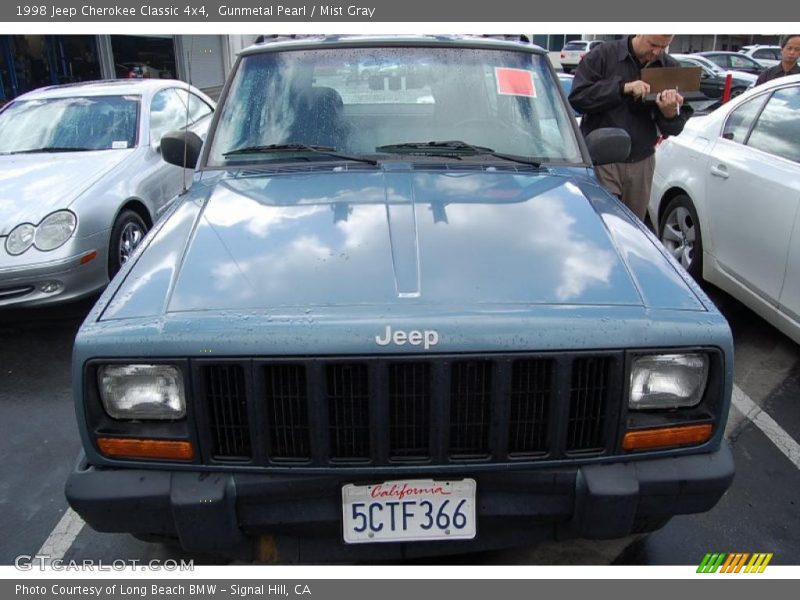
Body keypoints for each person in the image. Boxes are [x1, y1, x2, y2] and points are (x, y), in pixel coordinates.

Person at [568, 35, 692, 221]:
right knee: (602, 223)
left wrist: (669, 113)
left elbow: (674, 127)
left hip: (642, 161)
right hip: (602, 161)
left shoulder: (669, 68)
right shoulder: (603, 55)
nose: (657, 52)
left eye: (663, 47)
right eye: (653, 44)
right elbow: (578, 98)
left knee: (633, 229)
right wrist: (621, 88)